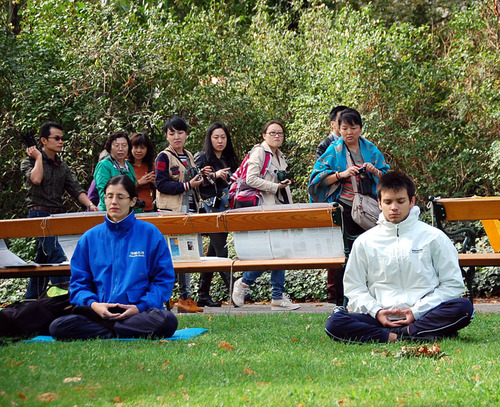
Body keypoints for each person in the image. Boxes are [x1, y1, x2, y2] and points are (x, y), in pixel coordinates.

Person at [325, 171, 474, 343]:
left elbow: (452, 284)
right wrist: (377, 311)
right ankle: (414, 334)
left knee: (463, 308)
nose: (394, 207)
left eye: (400, 201)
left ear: (412, 201)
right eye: (388, 202)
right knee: (334, 322)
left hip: (424, 314)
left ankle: (399, 334)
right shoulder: (365, 242)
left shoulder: (434, 237)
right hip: (379, 317)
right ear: (379, 204)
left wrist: (416, 311)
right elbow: (354, 288)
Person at [49, 175, 178, 340]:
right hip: (99, 313)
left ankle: (111, 330)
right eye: (109, 196)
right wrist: (94, 305)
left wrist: (139, 307)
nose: (114, 202)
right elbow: (78, 284)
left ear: (132, 201)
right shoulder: (90, 237)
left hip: (138, 312)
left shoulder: (150, 233)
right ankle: (119, 329)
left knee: (167, 321)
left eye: (120, 197)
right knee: (58, 327)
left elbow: (163, 281)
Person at [309, 108, 390, 305]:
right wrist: (342, 174)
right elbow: (316, 180)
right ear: (337, 128)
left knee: (371, 251)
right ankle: (341, 299)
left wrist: (375, 171)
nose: (349, 132)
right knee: (345, 253)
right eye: (344, 128)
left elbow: (386, 176)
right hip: (343, 208)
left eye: (353, 127)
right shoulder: (333, 150)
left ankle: (372, 295)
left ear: (361, 128)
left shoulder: (370, 149)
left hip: (369, 208)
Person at [20, 122, 99, 299]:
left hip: (58, 216)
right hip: (38, 215)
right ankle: (69, 296)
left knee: (44, 259)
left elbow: (76, 189)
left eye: (62, 138)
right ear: (43, 141)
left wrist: (91, 205)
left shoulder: (62, 166)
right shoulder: (29, 162)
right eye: (57, 138)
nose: (61, 141)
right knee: (57, 255)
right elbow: (36, 179)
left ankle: (30, 300)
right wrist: (39, 158)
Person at [231, 120, 299, 311]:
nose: (277, 136)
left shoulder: (279, 155)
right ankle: (246, 284)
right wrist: (275, 186)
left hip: (277, 208)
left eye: (280, 134)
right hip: (263, 208)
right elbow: (250, 179)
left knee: (279, 252)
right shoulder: (260, 152)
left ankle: (272, 295)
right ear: (264, 135)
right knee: (274, 253)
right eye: (272, 133)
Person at [155, 115, 204, 313]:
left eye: (180, 132)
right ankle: (166, 298)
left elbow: (192, 180)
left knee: (189, 256)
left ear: (186, 135)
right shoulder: (163, 157)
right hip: (172, 213)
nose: (177, 136)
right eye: (172, 133)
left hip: (190, 210)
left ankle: (185, 299)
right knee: (170, 258)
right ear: (167, 136)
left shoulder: (189, 155)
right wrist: (186, 185)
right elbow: (160, 183)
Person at [194, 123, 239, 307]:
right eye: (216, 137)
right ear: (209, 139)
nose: (220, 141)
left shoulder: (229, 158)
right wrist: (214, 175)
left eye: (223, 137)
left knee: (214, 250)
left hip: (226, 207)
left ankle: (203, 294)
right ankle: (235, 289)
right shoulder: (202, 157)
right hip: (209, 209)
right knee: (222, 250)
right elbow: (195, 180)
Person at [315, 105, 348, 305]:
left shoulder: (362, 146)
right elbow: (319, 177)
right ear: (334, 124)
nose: (347, 129)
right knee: (336, 247)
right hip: (334, 200)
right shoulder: (327, 145)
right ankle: (335, 295)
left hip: (356, 204)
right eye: (343, 123)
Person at [93, 132, 137, 211]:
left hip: (128, 211)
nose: (121, 149)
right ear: (110, 148)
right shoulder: (104, 165)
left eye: (124, 145)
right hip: (110, 211)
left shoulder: (129, 166)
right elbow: (103, 192)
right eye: (116, 146)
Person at [129, 132, 156, 212]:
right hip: (131, 210)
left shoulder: (152, 166)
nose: (139, 151)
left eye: (142, 148)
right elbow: (121, 188)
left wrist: (155, 183)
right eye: (136, 147)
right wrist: (140, 182)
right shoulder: (125, 166)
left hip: (150, 209)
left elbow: (161, 188)